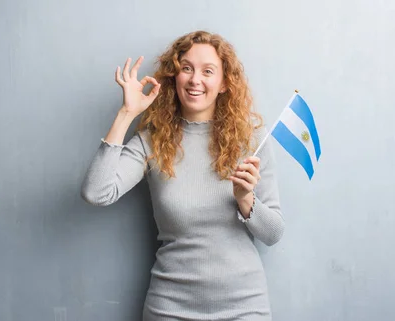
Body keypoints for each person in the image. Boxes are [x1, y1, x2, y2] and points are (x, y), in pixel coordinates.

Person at [81, 30, 285, 321]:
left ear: (225, 82)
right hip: (170, 309)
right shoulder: (152, 141)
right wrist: (127, 113)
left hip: (244, 308)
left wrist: (246, 200)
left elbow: (273, 233)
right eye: (186, 68)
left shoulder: (251, 140)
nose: (195, 80)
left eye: (208, 71)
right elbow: (96, 192)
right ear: (174, 78)